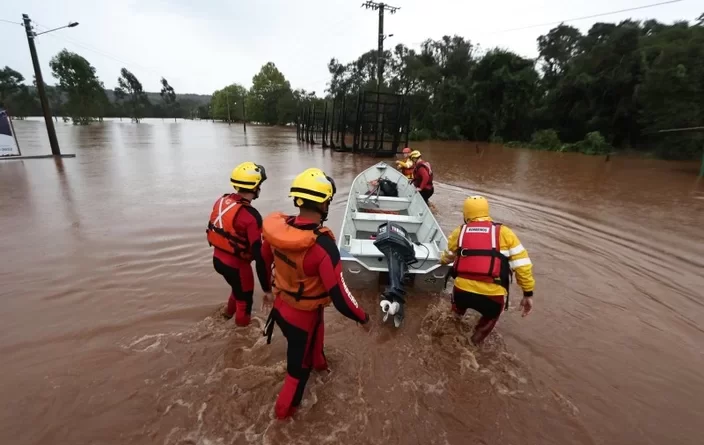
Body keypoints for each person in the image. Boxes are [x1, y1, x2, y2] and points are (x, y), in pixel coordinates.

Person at [261, 167, 370, 420]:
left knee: (314, 352)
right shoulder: (323, 246)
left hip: (281, 308)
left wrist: (267, 290)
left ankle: (323, 370)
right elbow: (342, 298)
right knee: (296, 373)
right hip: (302, 319)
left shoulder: (279, 232)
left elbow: (262, 259)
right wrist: (364, 318)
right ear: (324, 203)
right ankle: (281, 426)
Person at [439, 195, 534, 345]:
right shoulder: (505, 233)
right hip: (492, 297)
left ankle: (447, 337)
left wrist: (441, 260)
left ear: (466, 214)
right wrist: (527, 293)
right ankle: (472, 346)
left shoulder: (460, 232)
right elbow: (523, 266)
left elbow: (448, 257)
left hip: (462, 291)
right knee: (487, 321)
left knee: (454, 316)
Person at [206, 161, 272, 327]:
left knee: (237, 289)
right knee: (245, 302)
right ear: (255, 187)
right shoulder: (251, 216)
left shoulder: (223, 200)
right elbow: (259, 258)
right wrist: (267, 290)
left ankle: (226, 316)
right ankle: (241, 342)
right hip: (237, 267)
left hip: (218, 260)